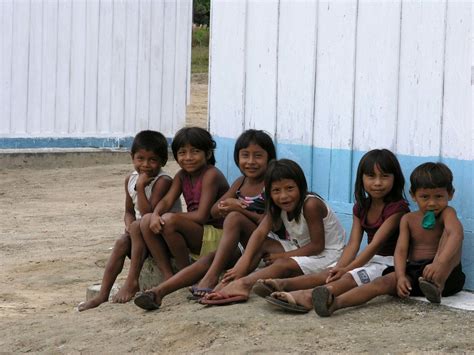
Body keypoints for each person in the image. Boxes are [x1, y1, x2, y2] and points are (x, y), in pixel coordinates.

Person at [134, 129, 276, 310]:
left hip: (259, 241)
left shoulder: (271, 184)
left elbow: (271, 221)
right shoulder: (240, 182)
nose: (250, 162)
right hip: (238, 244)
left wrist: (240, 209)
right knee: (209, 259)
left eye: (257, 156)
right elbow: (215, 210)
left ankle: (209, 277)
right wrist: (156, 214)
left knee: (232, 219)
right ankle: (159, 292)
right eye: (245, 156)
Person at [262, 149, 409, 312]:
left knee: (349, 277)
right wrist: (340, 266)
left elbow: (375, 244)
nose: (377, 183)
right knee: (331, 272)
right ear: (362, 178)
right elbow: (353, 244)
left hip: (390, 262)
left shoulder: (397, 209)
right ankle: (283, 284)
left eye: (384, 176)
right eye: (371, 176)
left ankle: (308, 297)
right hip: (370, 258)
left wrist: (347, 269)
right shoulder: (361, 207)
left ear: (395, 179)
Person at [311, 162, 465, 317]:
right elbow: (401, 251)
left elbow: (456, 235)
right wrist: (400, 276)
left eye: (439, 196)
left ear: (450, 194)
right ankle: (334, 303)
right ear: (413, 195)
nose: (432, 203)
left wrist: (439, 263)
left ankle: (437, 284)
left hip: (447, 274)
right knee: (381, 282)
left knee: (452, 233)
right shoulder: (408, 219)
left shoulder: (447, 213)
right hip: (416, 274)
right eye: (425, 197)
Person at [200, 159, 346, 306]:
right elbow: (259, 233)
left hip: (328, 255)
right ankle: (231, 281)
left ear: (301, 187)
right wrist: (243, 262)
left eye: (290, 188)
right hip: (299, 248)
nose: (283, 196)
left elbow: (317, 247)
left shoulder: (310, 205)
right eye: (276, 190)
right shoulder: (276, 206)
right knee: (260, 244)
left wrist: (282, 255)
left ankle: (244, 284)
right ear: (269, 193)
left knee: (283, 263)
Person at [78, 130, 181, 311]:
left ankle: (137, 280)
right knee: (121, 241)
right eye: (140, 159)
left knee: (138, 225)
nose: (145, 165)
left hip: (159, 236)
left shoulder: (163, 181)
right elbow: (128, 212)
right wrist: (128, 225)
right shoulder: (129, 179)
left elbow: (148, 214)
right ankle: (103, 294)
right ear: (132, 157)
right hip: (139, 237)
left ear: (163, 161)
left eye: (152, 160)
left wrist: (141, 188)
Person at [138, 127, 229, 283]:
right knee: (146, 220)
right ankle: (168, 274)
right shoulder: (181, 176)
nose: (188, 157)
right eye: (182, 153)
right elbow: (167, 201)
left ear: (207, 154)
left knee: (169, 220)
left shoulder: (211, 174)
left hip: (218, 237)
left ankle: (186, 273)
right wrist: (156, 215)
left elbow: (201, 216)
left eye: (195, 151)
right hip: (199, 234)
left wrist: (167, 217)